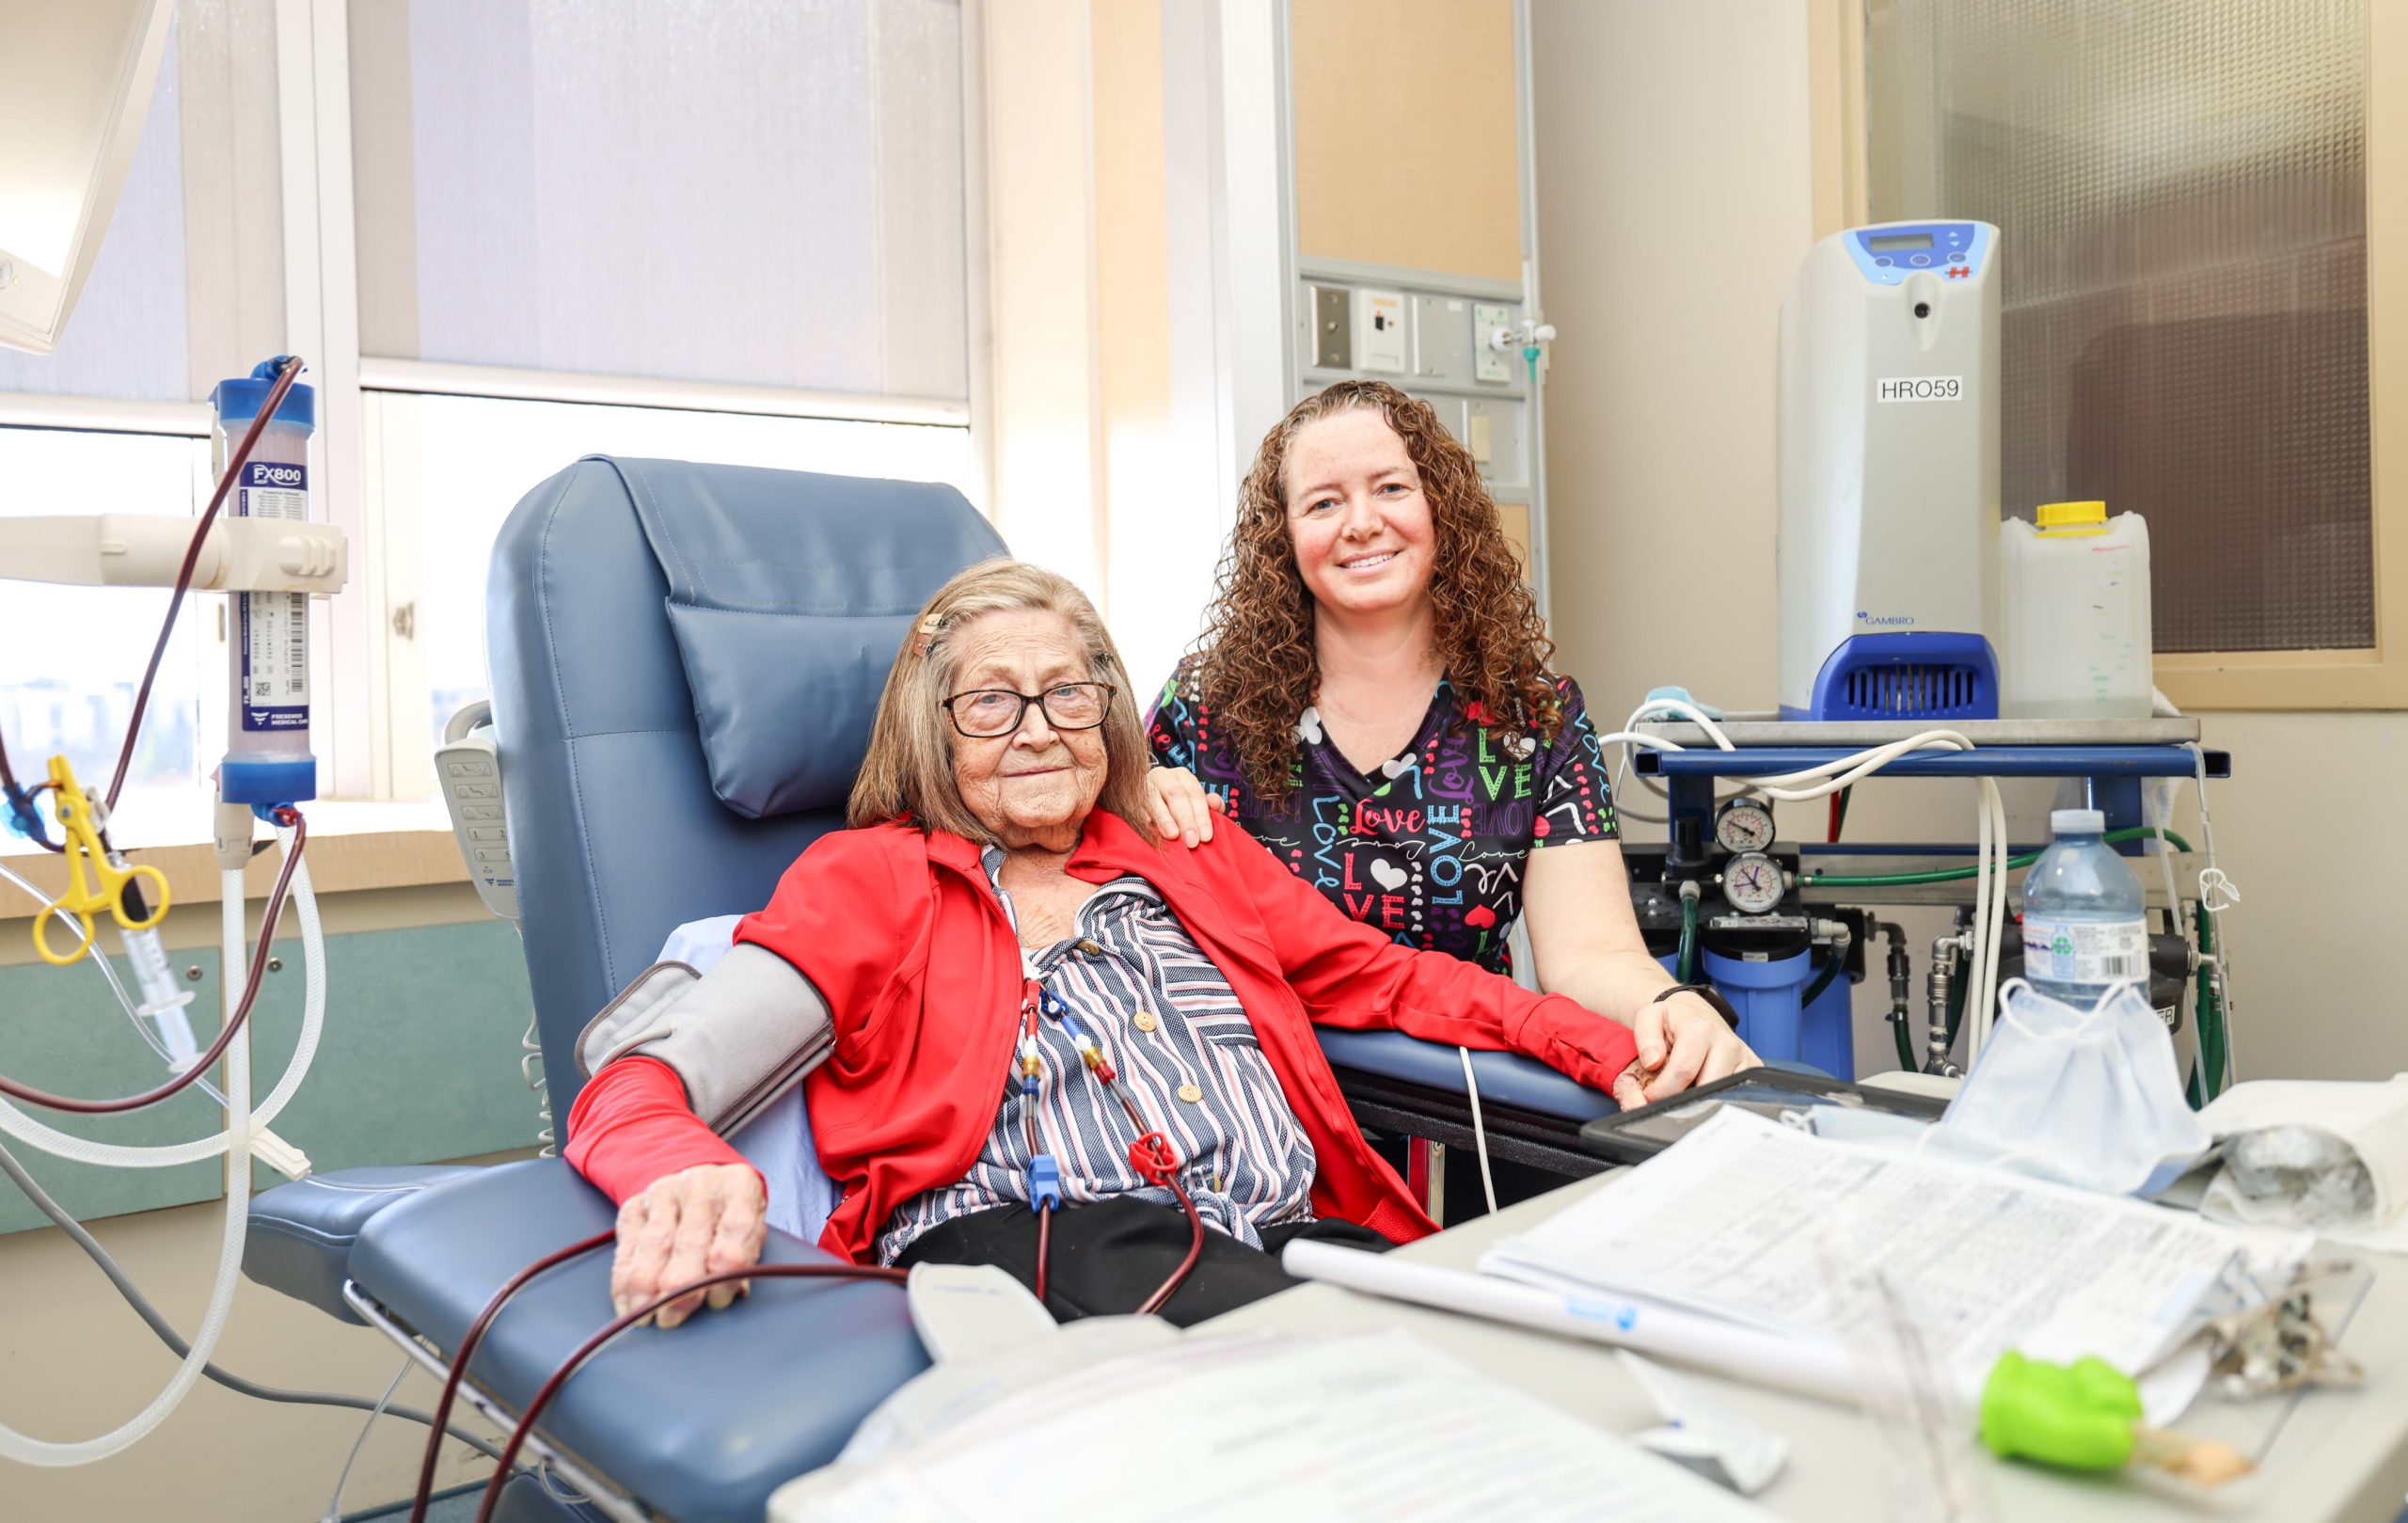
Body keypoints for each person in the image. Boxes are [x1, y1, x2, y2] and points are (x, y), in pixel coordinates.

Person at [566, 558, 1650, 1329]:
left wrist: (1614, 1044)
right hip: (1027, 1244)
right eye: (989, 703)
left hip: (1287, 1235)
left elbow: (1397, 982)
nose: (1037, 728)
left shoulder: (1186, 849)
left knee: (1500, 1356)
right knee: (1359, 1396)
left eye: (1067, 694)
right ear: (930, 729)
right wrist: (683, 1170)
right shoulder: (870, 879)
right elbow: (641, 1086)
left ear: (1108, 714)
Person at [1145, 379, 1758, 1103]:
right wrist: (1137, 787)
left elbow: (1592, 952)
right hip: (1262, 1112)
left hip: (1470, 1112)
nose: (1361, 522)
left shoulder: (1533, 719)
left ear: (1442, 509)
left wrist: (1667, 1006)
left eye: (1391, 487)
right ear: (1284, 537)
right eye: (1323, 502)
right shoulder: (1204, 710)